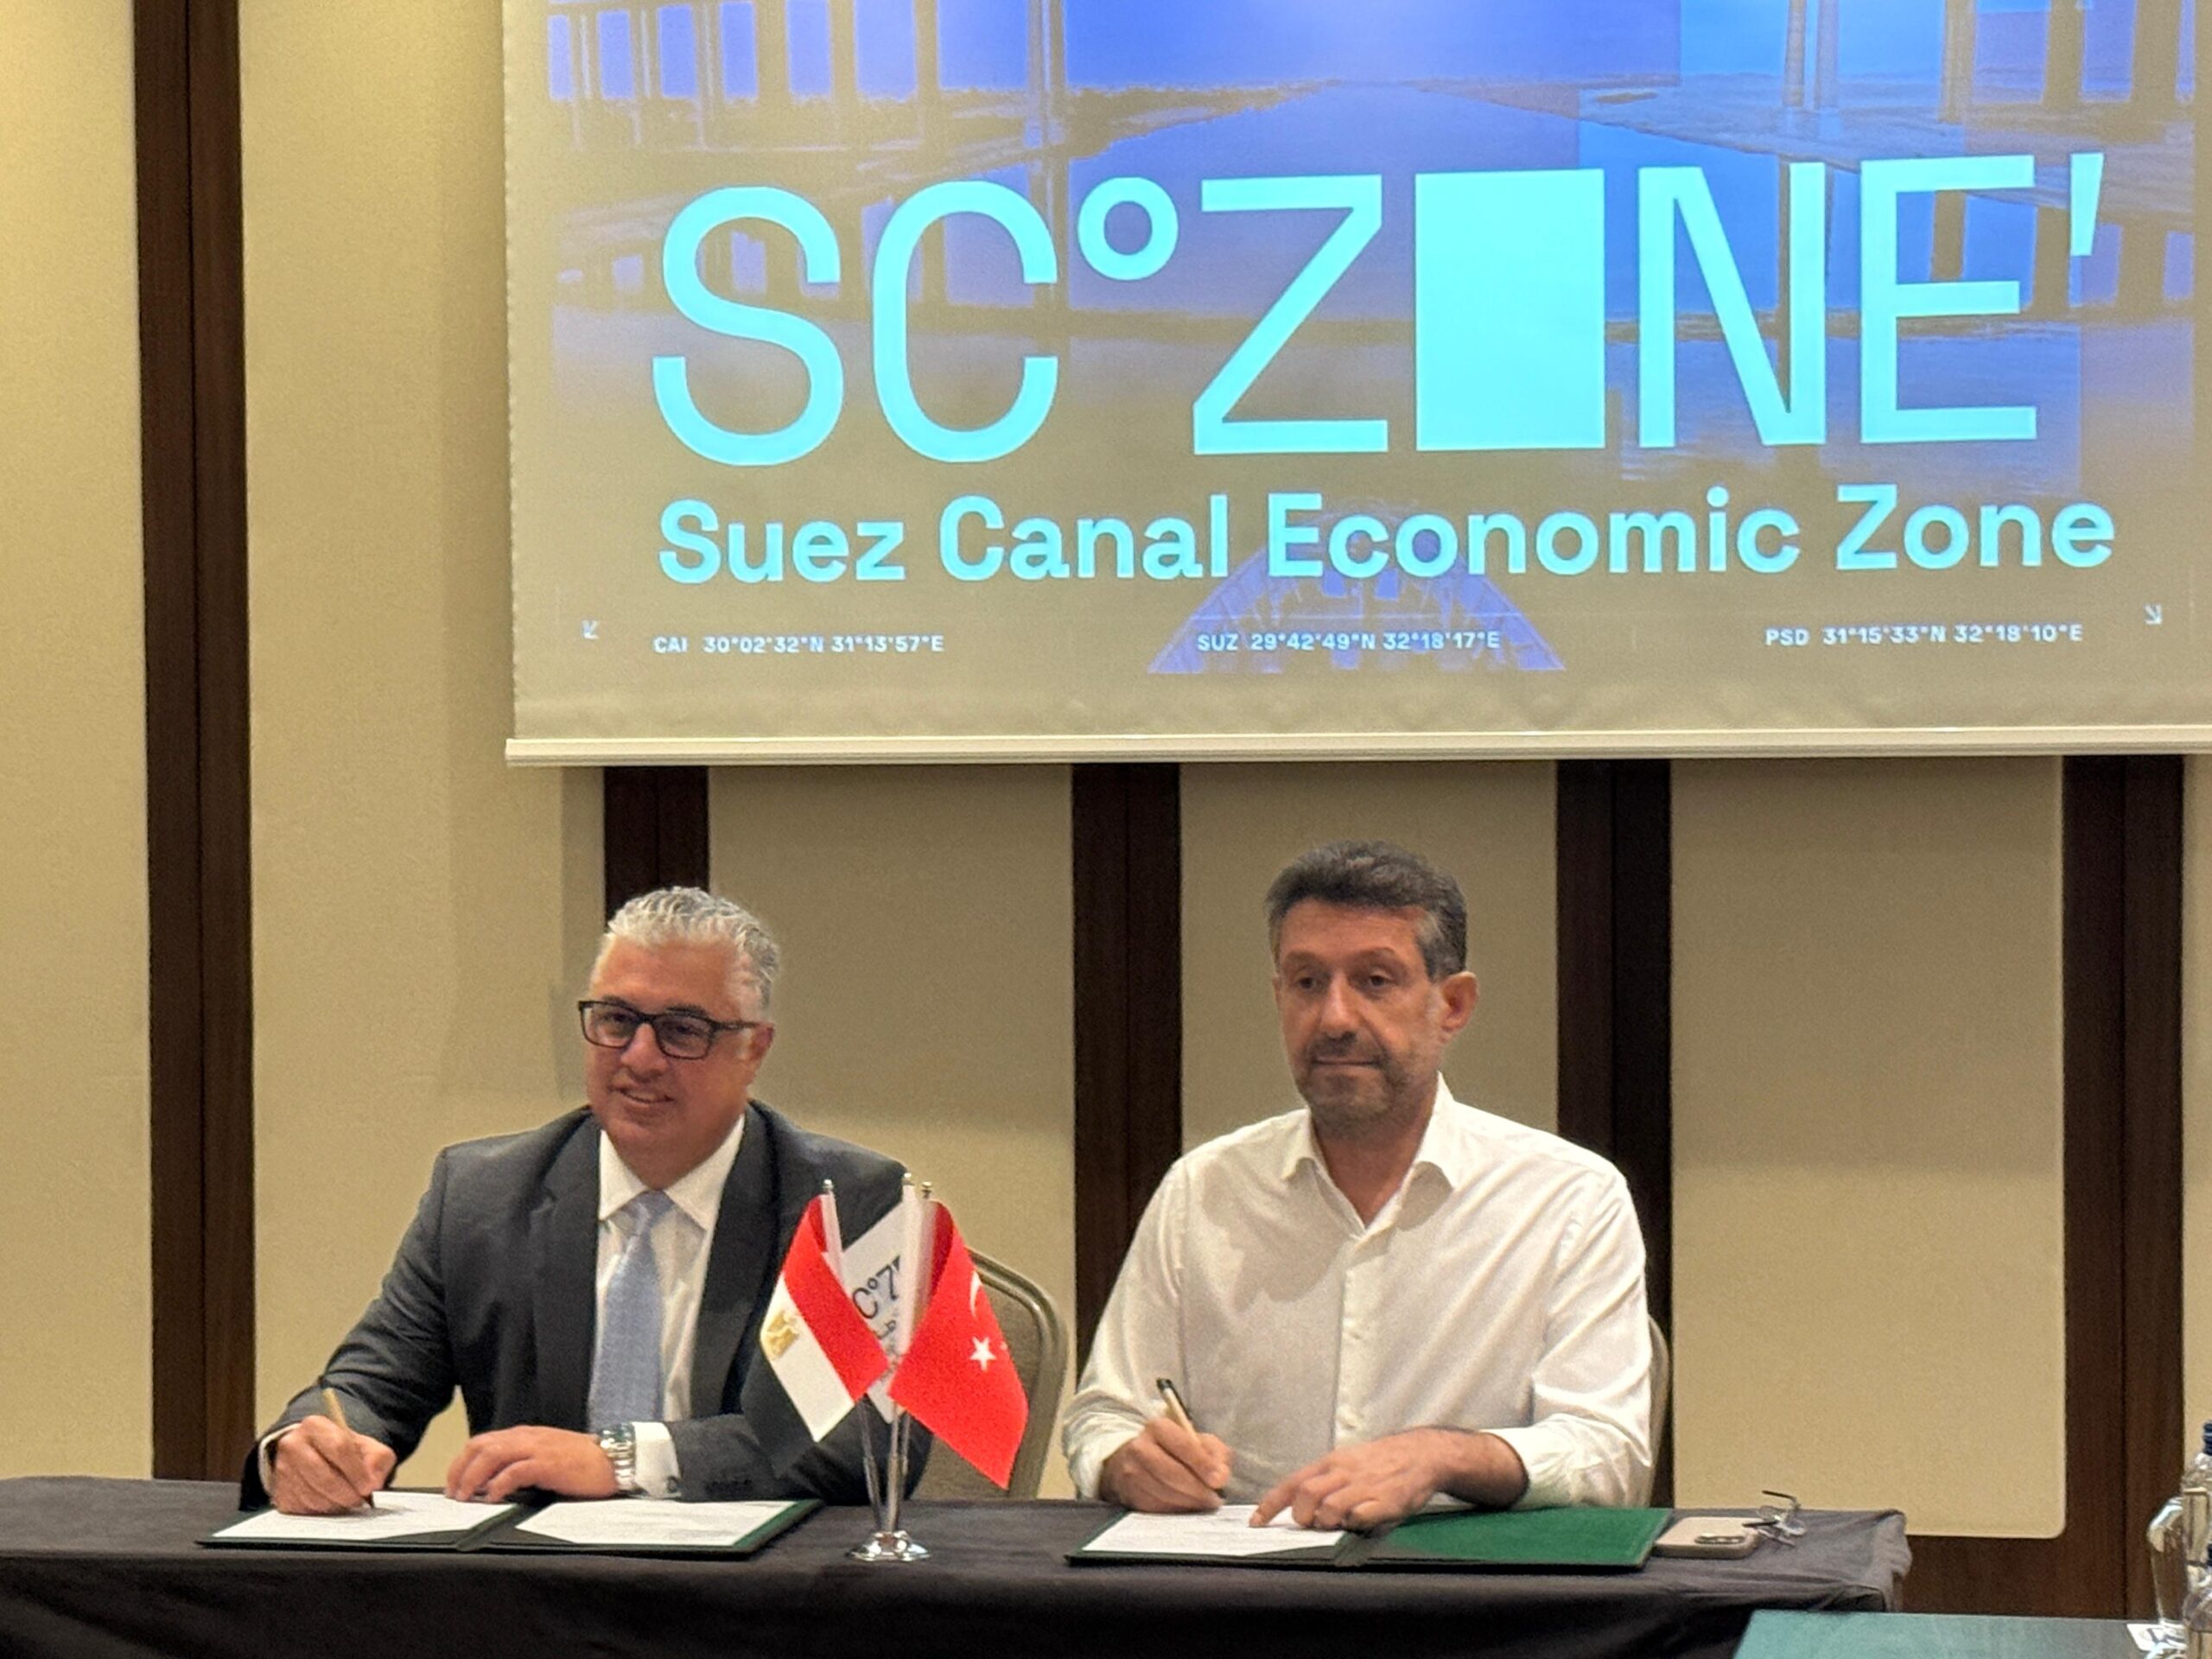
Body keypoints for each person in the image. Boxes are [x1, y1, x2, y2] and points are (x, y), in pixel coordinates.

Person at [245, 886, 916, 1513]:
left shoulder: (847, 1209)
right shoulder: (482, 1197)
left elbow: (865, 1440)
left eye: (682, 1030)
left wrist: (625, 1460)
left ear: (753, 1049)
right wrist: (307, 1449)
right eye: (617, 1020)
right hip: (538, 1586)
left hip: (757, 1589)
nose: (640, 1057)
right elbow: (368, 1386)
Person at [1063, 840, 1651, 1530]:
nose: (1335, 1019)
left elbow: (1608, 1454)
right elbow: (1106, 1415)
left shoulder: (1568, 1198)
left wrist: (1445, 1456)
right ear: (1279, 997)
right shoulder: (1205, 1190)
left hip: (1459, 1579)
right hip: (1238, 1578)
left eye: (1374, 981)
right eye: (1308, 983)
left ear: (1452, 1005)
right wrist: (1126, 1461)